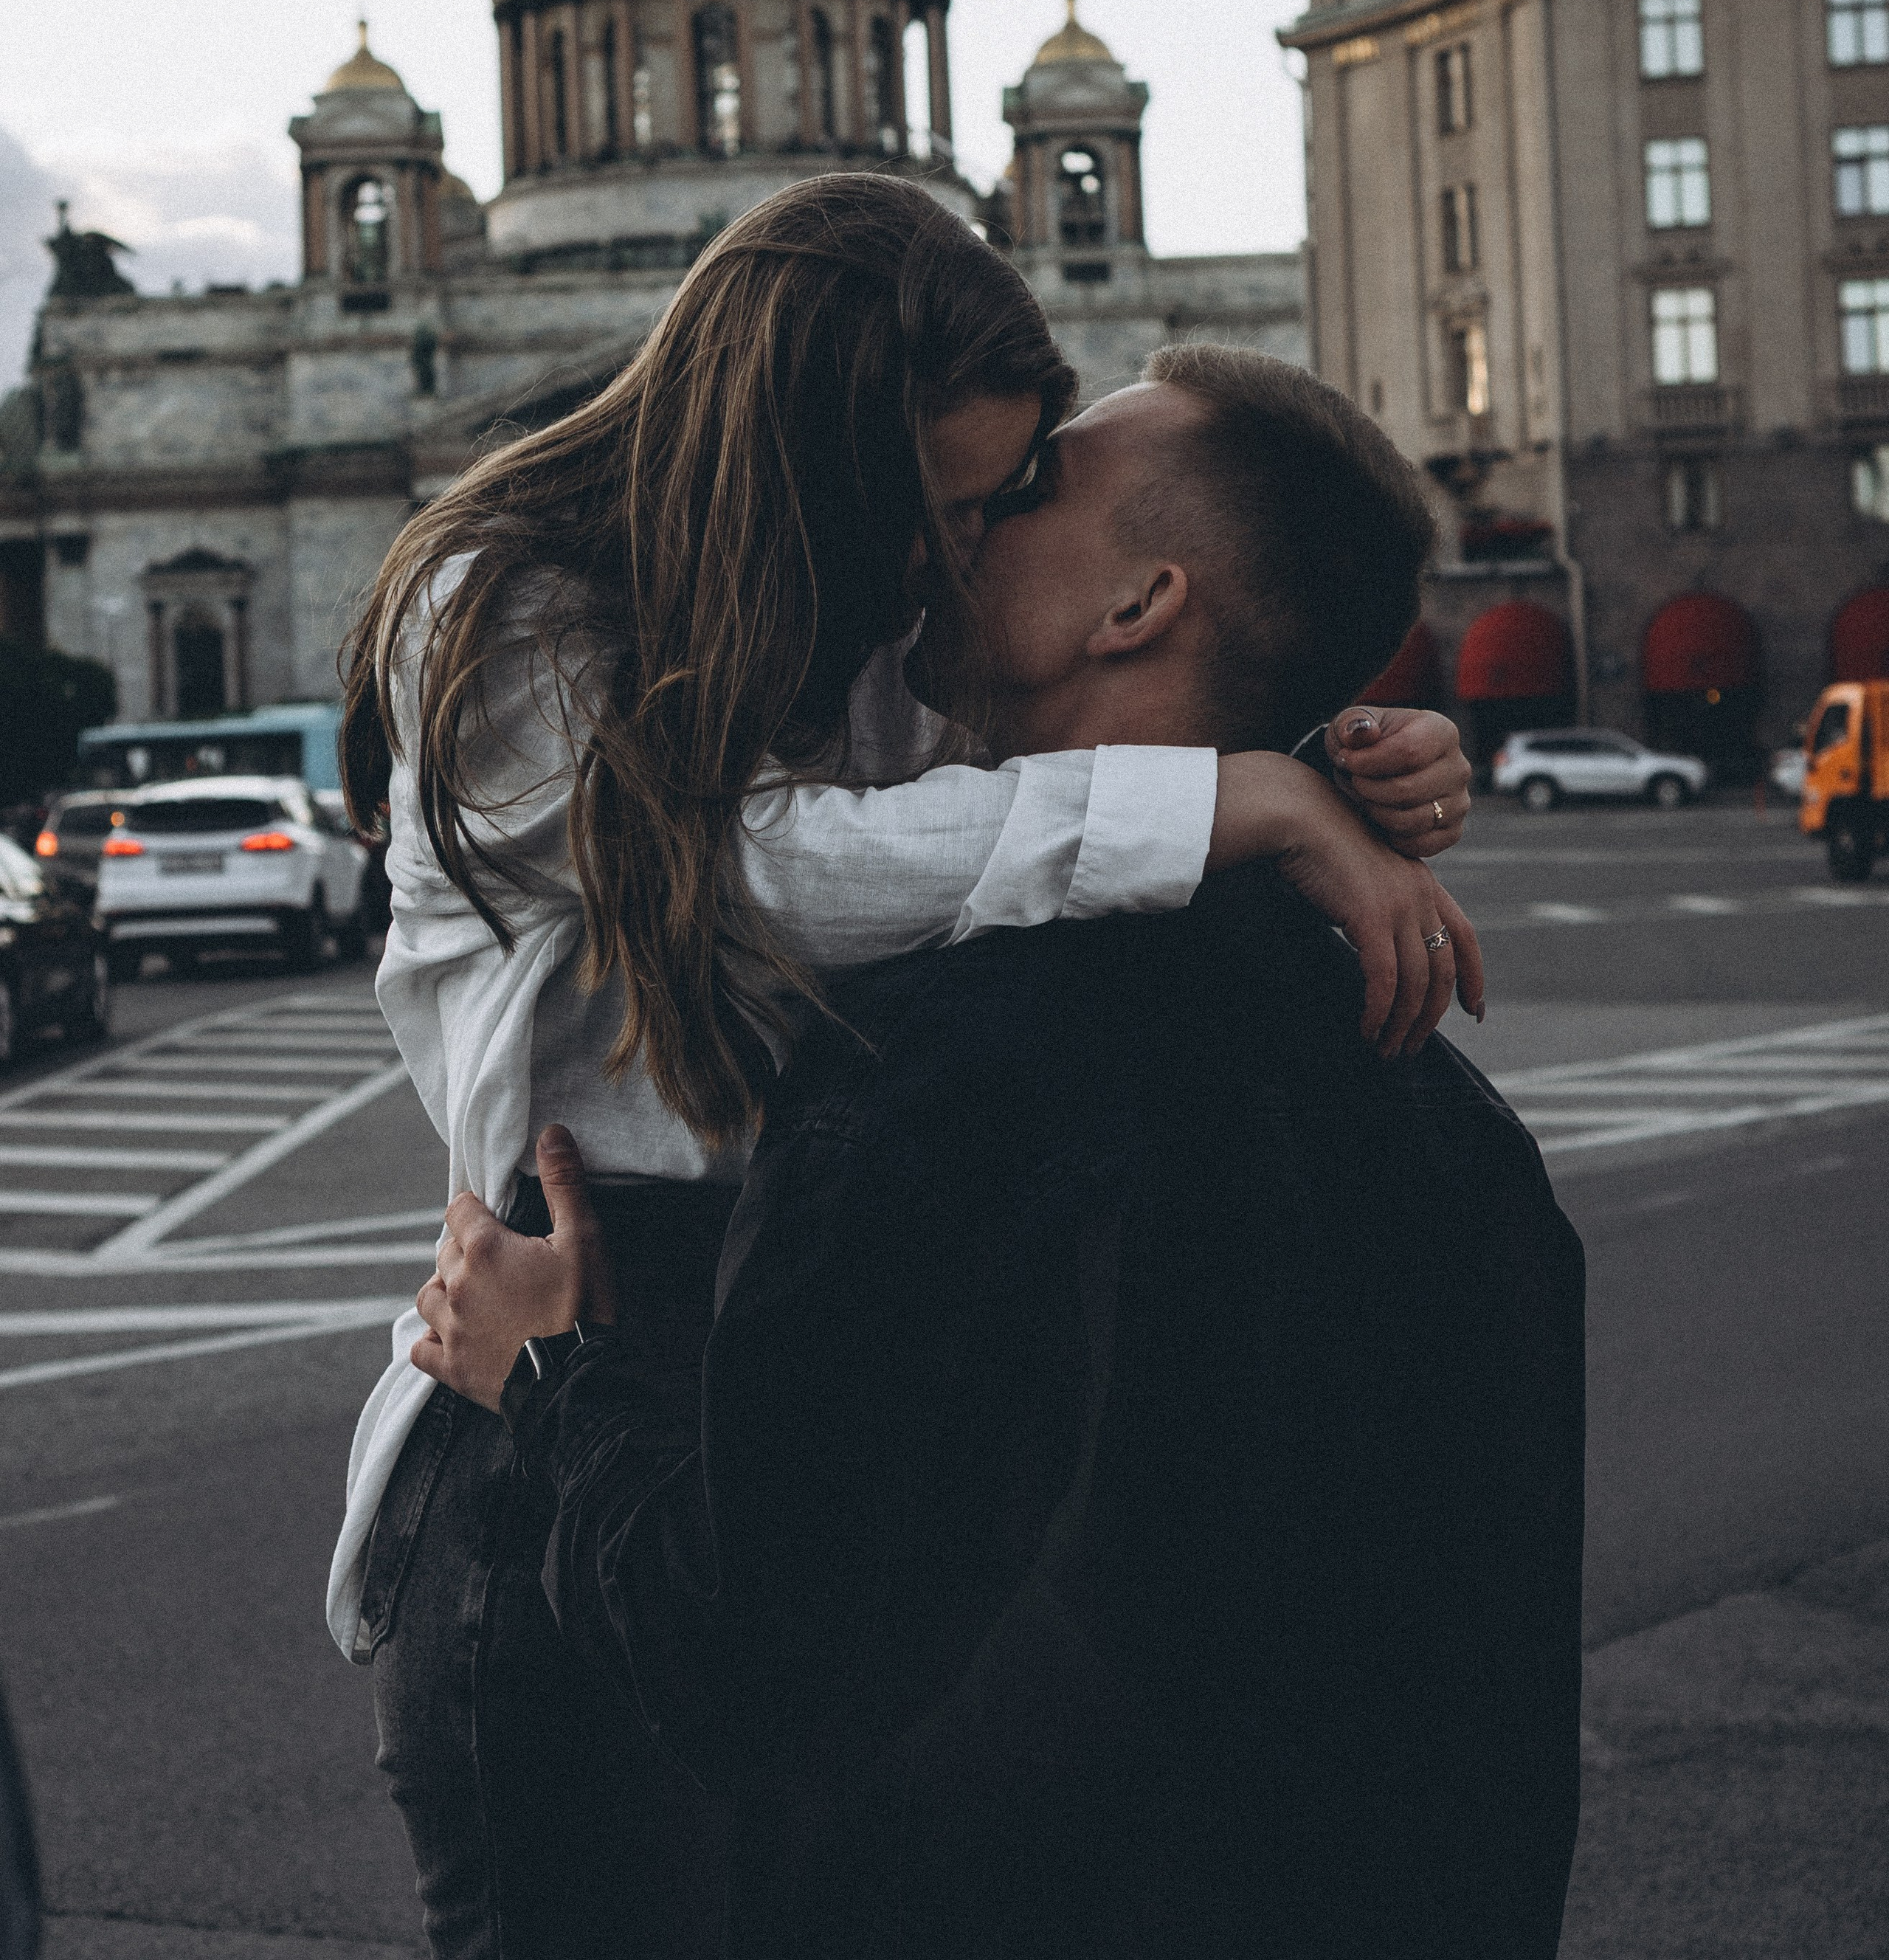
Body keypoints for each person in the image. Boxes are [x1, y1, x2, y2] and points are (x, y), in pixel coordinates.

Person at [336, 184, 1478, 1958]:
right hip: (564, 1380)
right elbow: (765, 868)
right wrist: (1236, 797)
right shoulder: (508, 609)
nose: (957, 558)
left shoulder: (862, 614)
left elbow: (1046, 750)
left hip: (766, 1370)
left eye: (1000, 505)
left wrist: (1314, 747)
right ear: (804, 463)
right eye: (942, 508)